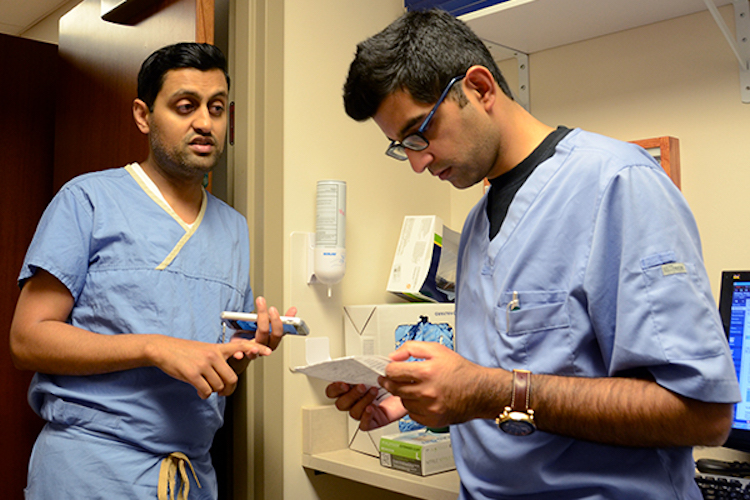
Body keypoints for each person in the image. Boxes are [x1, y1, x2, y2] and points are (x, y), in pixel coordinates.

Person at [326, 9, 741, 500]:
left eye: (421, 132)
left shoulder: (617, 184)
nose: (418, 162)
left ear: (479, 89)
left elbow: (703, 413)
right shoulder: (481, 222)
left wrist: (486, 391)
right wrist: (425, 400)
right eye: (402, 146)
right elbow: (510, 377)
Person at [9, 43, 294, 500]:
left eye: (216, 108)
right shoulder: (88, 200)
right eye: (186, 106)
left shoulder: (233, 228)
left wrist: (244, 351)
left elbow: (211, 364)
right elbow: (28, 339)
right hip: (90, 470)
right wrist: (154, 348)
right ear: (143, 115)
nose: (204, 122)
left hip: (191, 477)